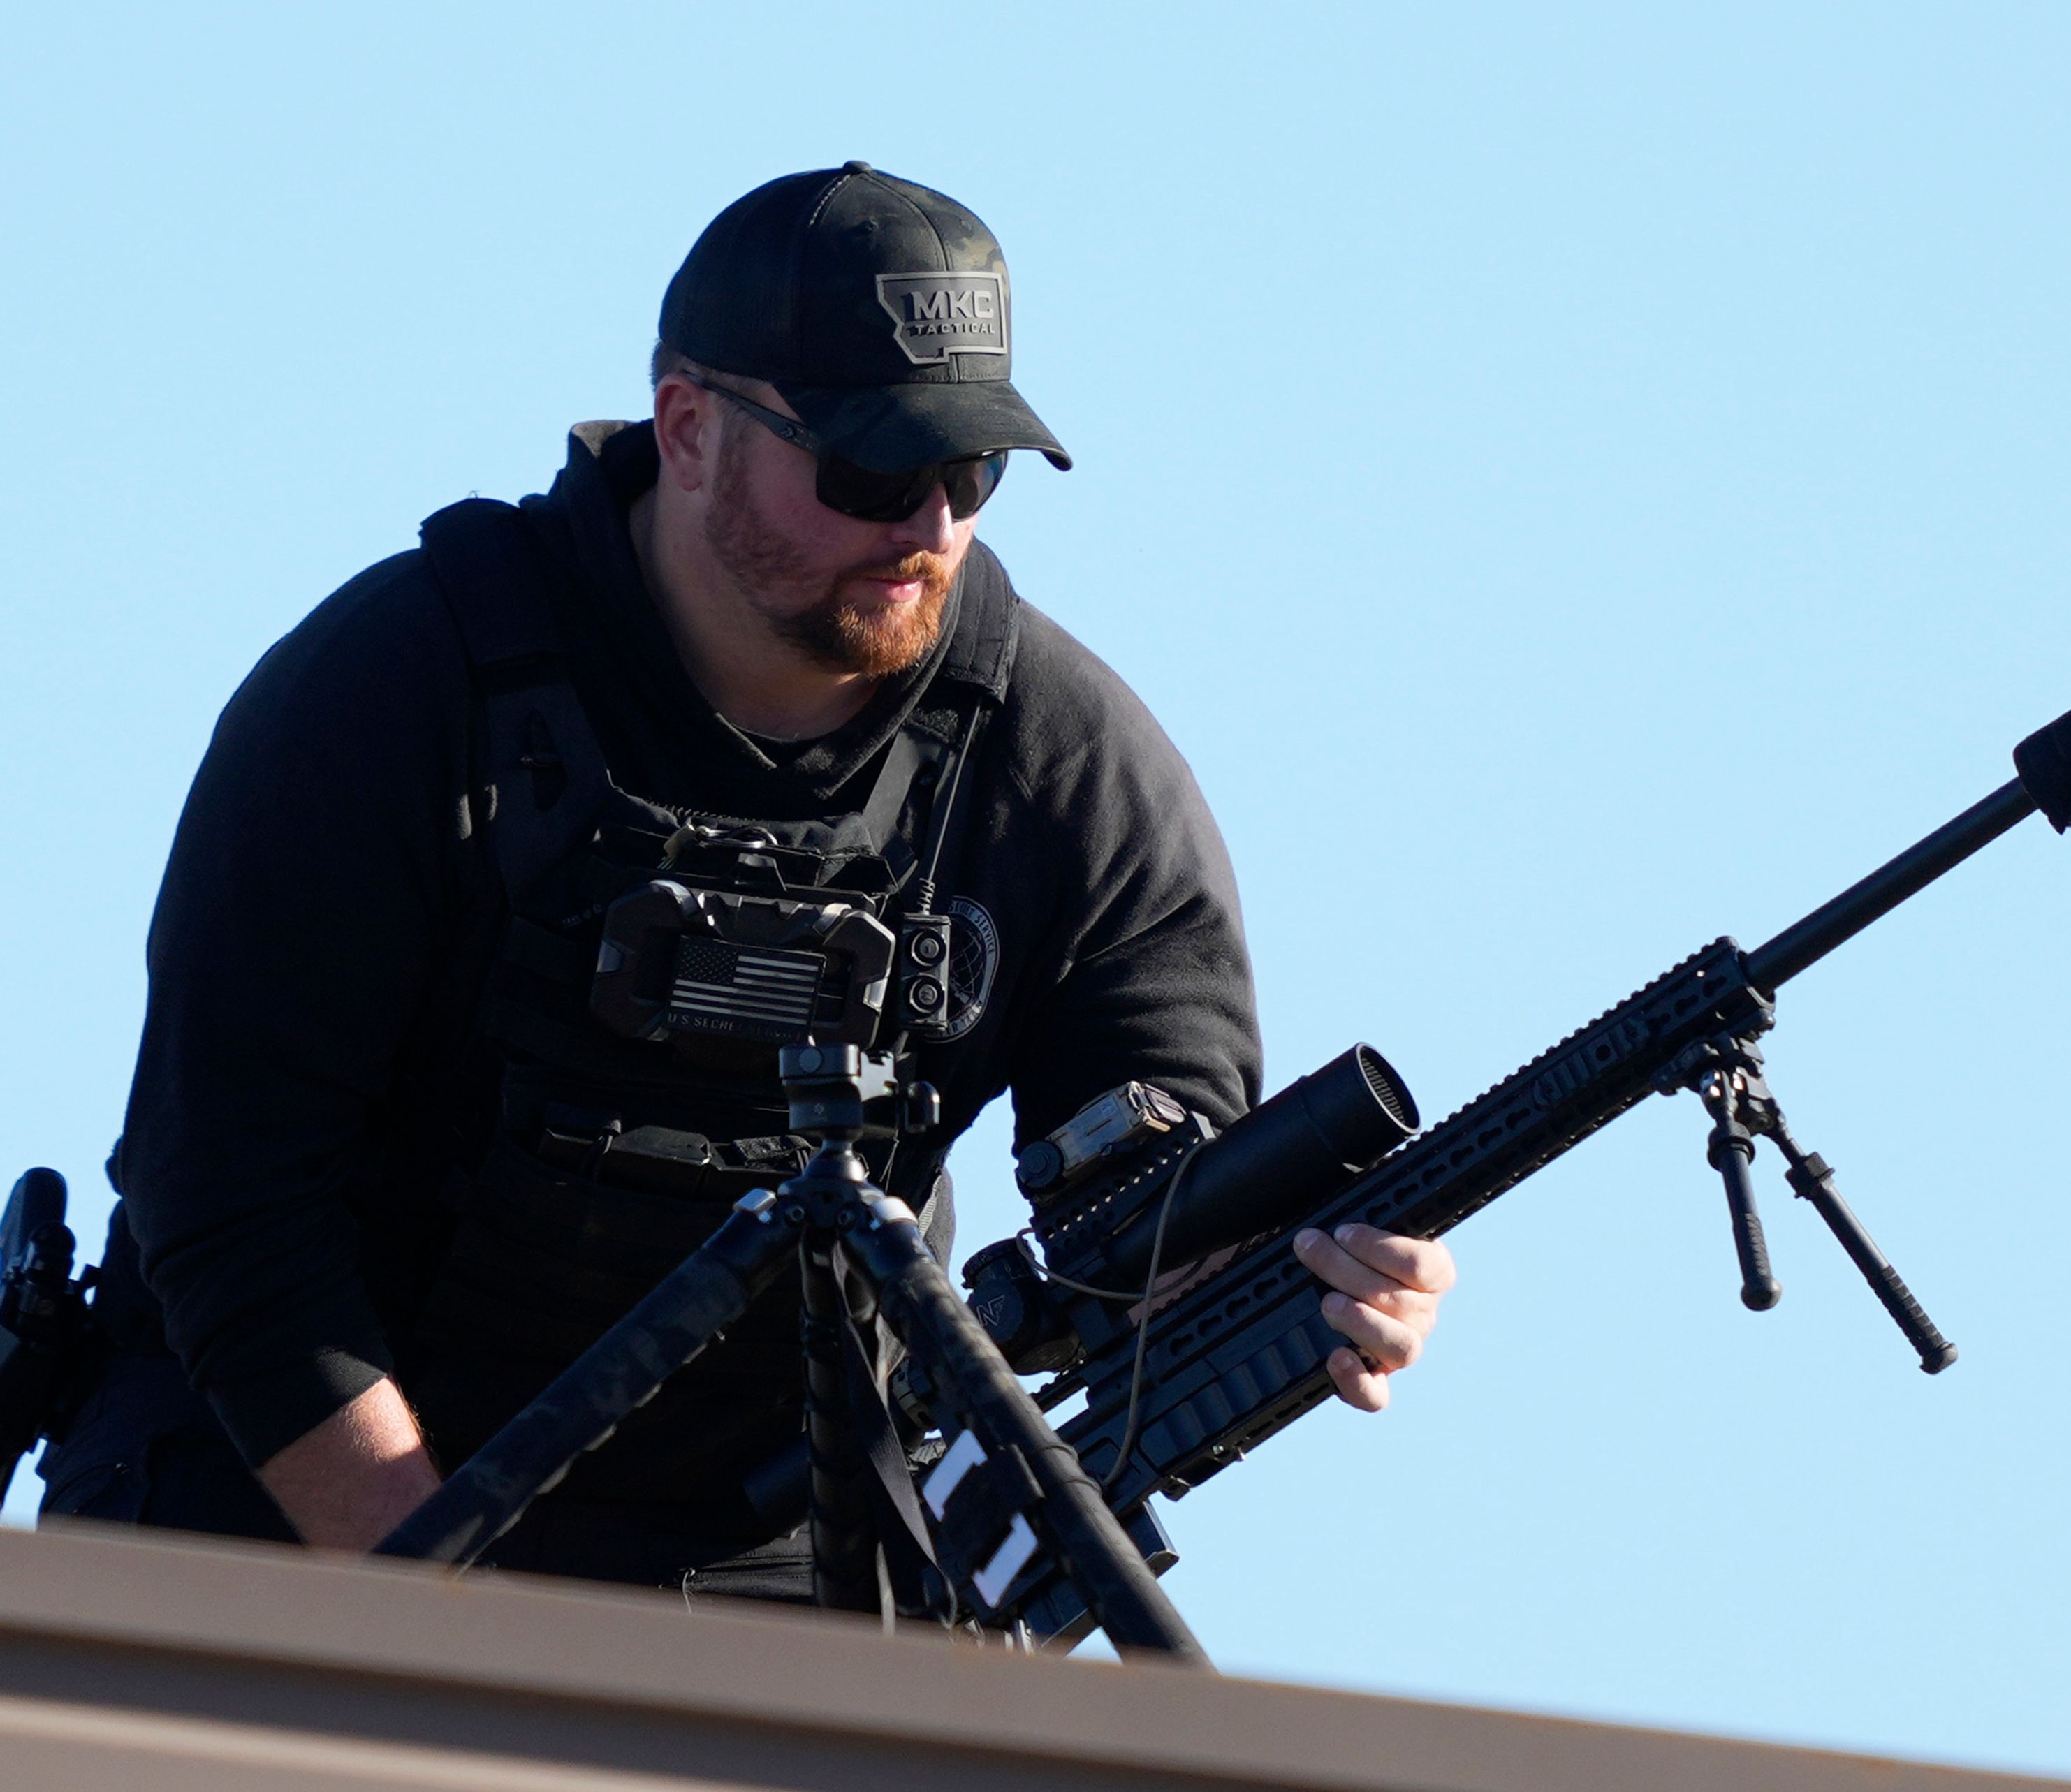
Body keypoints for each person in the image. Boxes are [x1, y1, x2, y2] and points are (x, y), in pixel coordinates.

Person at [39, 163, 1455, 1601]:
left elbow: (1146, 1227)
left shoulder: (1066, 771)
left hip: (762, 1548)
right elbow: (225, 1194)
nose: (931, 527)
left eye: (973, 472)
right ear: (689, 427)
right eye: (872, 469)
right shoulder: (397, 693)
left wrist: (1293, 1293)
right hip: (291, 1495)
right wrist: (445, 1624)